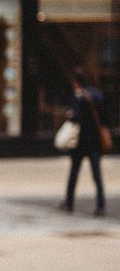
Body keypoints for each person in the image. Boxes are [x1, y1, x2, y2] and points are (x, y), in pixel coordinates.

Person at [59, 69, 108, 216]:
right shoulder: (97, 95)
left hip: (81, 141)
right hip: (95, 141)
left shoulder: (78, 96)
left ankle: (69, 202)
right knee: (97, 175)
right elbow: (104, 115)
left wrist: (71, 115)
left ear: (76, 82)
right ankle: (101, 205)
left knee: (74, 173)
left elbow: (76, 116)